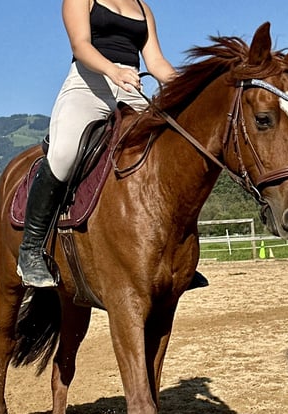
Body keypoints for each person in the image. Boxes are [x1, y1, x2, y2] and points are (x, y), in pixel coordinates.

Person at [18, 0, 178, 288]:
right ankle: (30, 249)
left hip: (131, 88)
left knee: (166, 149)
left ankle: (171, 250)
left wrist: (183, 84)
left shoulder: (142, 7)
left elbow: (155, 62)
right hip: (88, 83)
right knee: (65, 154)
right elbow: (80, 46)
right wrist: (113, 71)